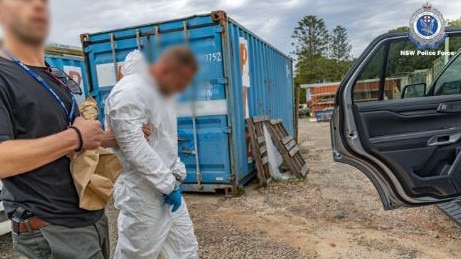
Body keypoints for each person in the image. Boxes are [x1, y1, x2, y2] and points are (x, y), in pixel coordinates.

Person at [0, 0, 118, 258]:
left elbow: (61, 139)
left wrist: (107, 138)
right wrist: (75, 137)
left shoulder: (52, 75)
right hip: (51, 228)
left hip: (88, 216)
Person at [106, 48, 199, 259]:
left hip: (164, 187)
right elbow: (133, 146)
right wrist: (167, 183)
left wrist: (174, 174)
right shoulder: (128, 92)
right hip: (142, 193)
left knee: (184, 248)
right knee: (136, 253)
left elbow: (164, 138)